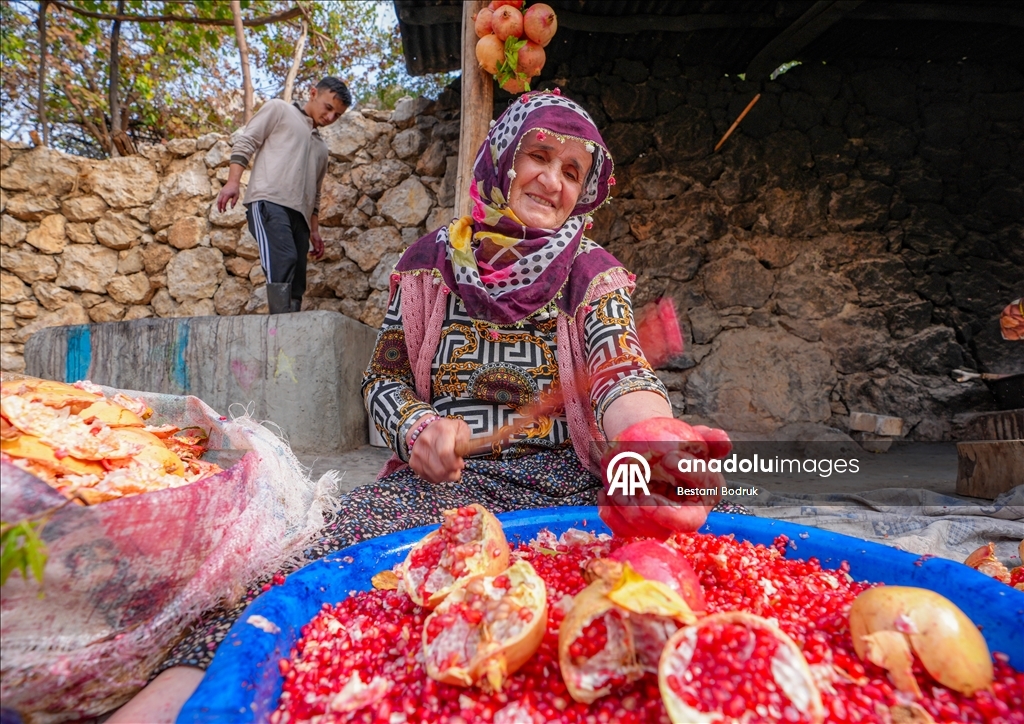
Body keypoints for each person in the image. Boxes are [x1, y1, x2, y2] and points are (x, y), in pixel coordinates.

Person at [112, 90, 739, 722]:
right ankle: (170, 703)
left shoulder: (591, 271)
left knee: (666, 569)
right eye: (539, 157)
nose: (551, 181)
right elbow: (381, 381)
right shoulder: (429, 264)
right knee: (291, 572)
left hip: (564, 480)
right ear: (500, 161)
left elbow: (619, 371)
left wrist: (651, 435)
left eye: (572, 172)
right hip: (440, 483)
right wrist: (417, 427)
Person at [216, 77, 351, 314]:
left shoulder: (321, 147)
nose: (330, 118)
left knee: (298, 281)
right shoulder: (279, 110)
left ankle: (288, 338)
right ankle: (277, 329)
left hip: (300, 216)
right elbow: (247, 141)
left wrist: (315, 230)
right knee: (283, 259)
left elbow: (316, 194)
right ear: (312, 93)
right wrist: (232, 182)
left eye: (337, 115)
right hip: (268, 201)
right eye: (328, 108)